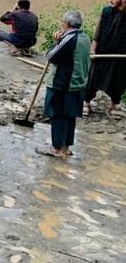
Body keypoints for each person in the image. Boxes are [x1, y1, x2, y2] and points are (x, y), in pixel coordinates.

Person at [43, 10, 92, 157]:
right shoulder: (85, 38)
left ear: (67, 23)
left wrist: (55, 42)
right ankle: (66, 147)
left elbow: (50, 56)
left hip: (63, 84)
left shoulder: (68, 39)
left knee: (58, 115)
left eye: (62, 22)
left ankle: (57, 148)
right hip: (79, 83)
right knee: (70, 116)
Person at [85, 0, 126, 118]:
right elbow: (98, 32)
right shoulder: (107, 11)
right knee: (92, 79)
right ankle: (86, 103)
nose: (111, 0)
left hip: (120, 56)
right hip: (102, 52)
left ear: (124, 0)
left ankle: (115, 105)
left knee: (118, 81)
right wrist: (92, 49)